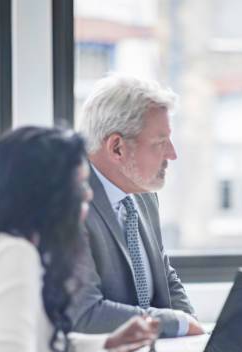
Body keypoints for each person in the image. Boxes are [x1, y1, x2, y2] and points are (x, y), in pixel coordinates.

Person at [0, 127, 159, 352]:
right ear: (48, 195)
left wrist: (107, 343)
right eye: (81, 185)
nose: (87, 196)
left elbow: (36, 348)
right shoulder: (14, 255)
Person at [69, 74, 203, 337]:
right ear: (117, 148)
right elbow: (84, 314)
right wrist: (178, 324)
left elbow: (165, 277)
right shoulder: (70, 206)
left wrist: (193, 330)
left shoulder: (142, 192)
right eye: (159, 142)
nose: (172, 154)